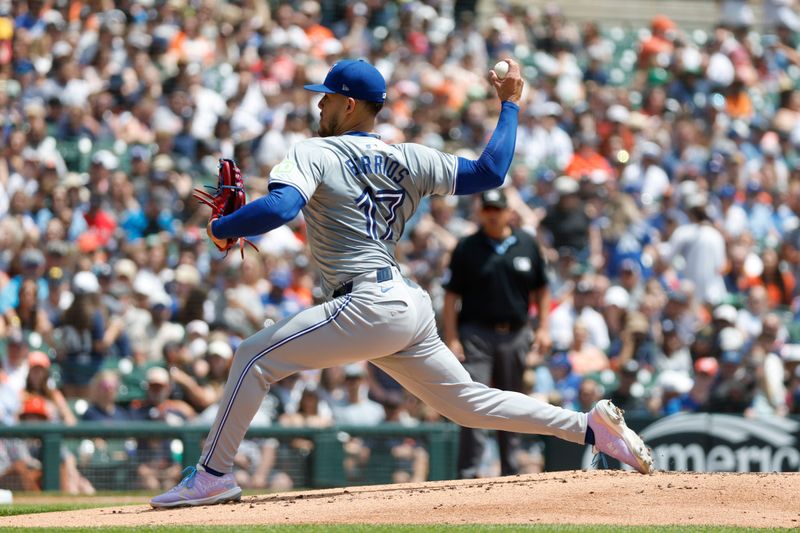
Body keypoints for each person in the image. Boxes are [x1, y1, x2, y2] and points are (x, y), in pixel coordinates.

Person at [151, 58, 652, 508]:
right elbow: (490, 170)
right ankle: (588, 428)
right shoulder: (409, 157)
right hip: (405, 303)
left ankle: (213, 474)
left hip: (365, 301)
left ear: (348, 104)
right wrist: (510, 106)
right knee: (466, 403)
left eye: (325, 96)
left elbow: (282, 206)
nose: (319, 104)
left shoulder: (314, 152)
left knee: (252, 358)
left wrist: (221, 228)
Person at [443, 188, 552, 478]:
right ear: (480, 212)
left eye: (496, 209)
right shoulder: (467, 246)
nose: (491, 215)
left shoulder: (526, 243)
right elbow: (451, 296)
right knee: (472, 400)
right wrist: (452, 337)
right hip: (476, 334)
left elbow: (542, 289)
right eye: (487, 210)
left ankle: (511, 472)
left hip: (515, 333)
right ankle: (469, 473)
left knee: (513, 400)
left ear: (508, 212)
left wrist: (543, 327)